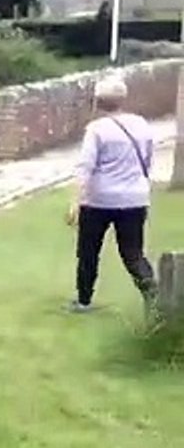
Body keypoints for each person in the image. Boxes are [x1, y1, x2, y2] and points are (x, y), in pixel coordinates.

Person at [65, 75, 157, 315]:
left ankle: (84, 300)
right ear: (123, 99)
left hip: (99, 200)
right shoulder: (141, 124)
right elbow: (148, 159)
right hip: (134, 199)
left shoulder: (96, 129)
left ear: (97, 102)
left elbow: (85, 167)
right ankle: (153, 296)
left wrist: (76, 201)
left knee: (88, 251)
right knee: (133, 252)